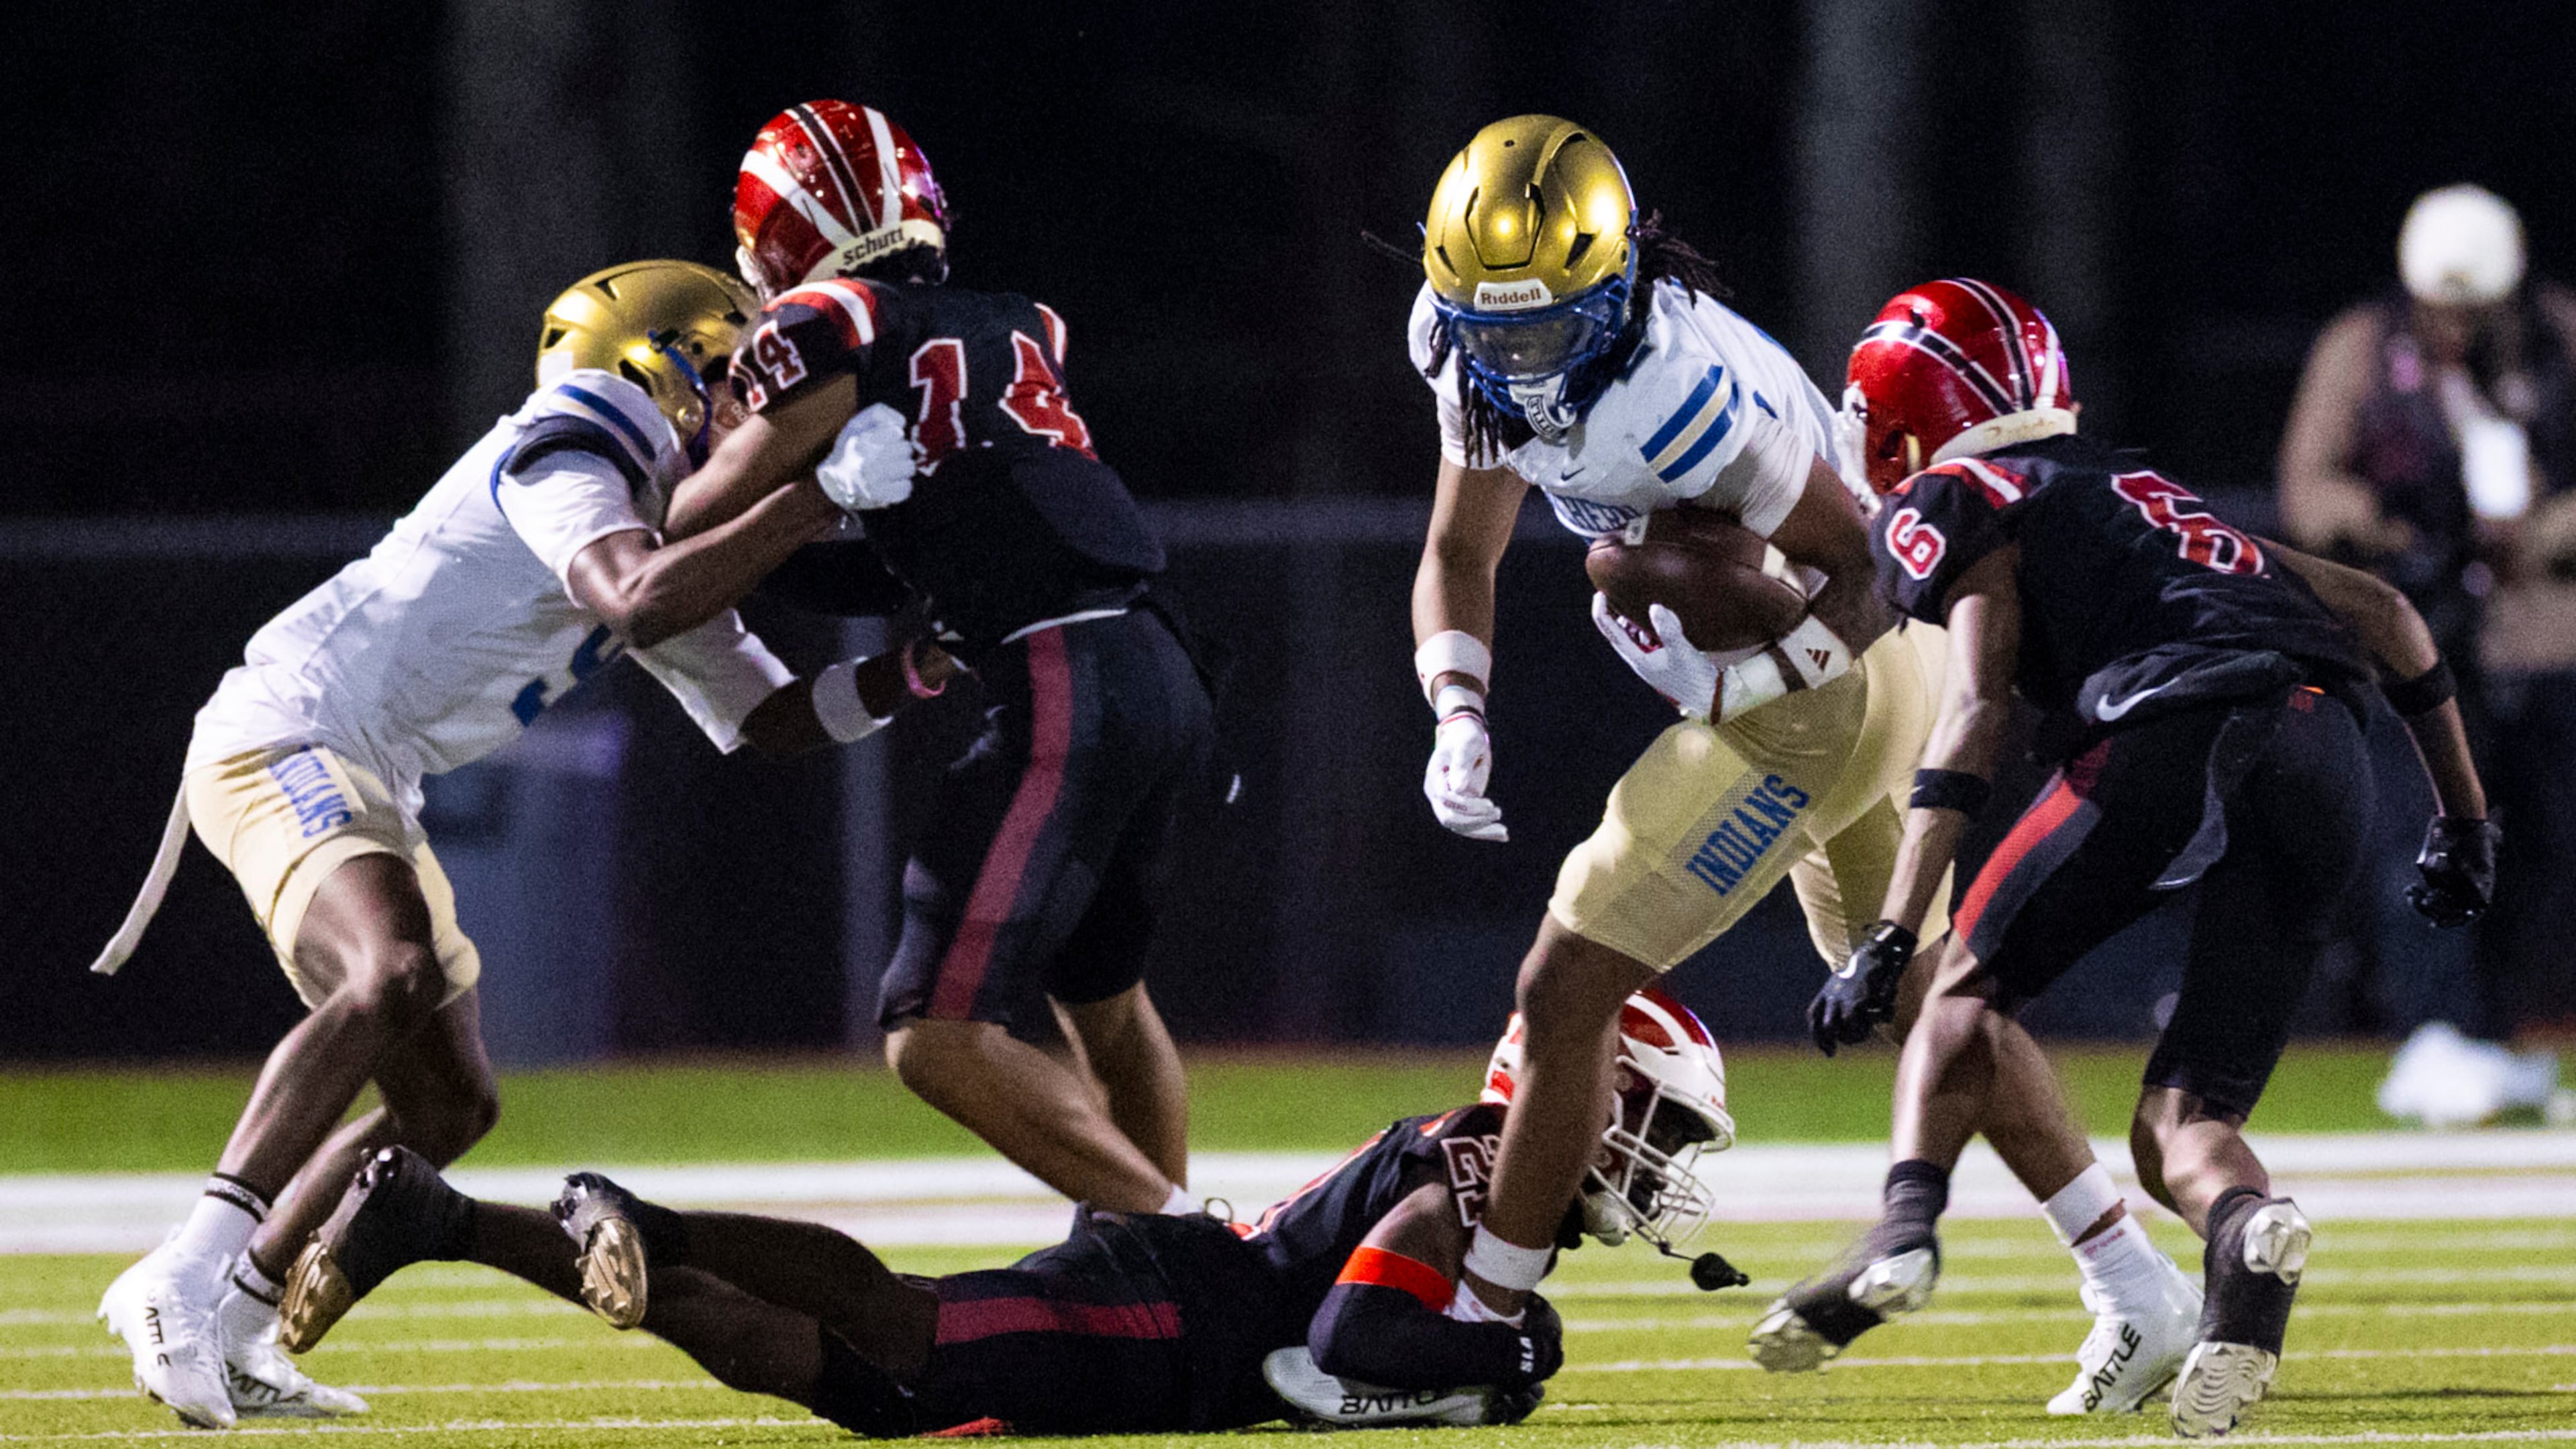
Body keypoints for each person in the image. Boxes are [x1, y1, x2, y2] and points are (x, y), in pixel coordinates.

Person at [1405, 117, 2200, 1413]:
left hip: (1841, 681)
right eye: (1498, 329)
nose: (1520, 357)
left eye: (1547, 325)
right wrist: (1457, 703)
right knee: (1924, 1003)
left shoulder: (1676, 393)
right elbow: (1459, 551)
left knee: (1565, 983)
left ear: (1614, 286)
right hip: (1854, 684)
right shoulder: (1466, 350)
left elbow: (1880, 571)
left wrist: (1750, 682)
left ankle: (1476, 1325)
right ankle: (2136, 1284)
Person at [87, 260, 955, 1430]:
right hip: (288, 728)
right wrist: (807, 505)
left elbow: (769, 718)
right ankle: (180, 1276)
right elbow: (637, 598)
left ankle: (240, 1322)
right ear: (670, 368)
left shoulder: (649, 518)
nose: (760, 411)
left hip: (371, 772)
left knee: (449, 1106)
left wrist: (916, 669)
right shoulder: (579, 437)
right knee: (385, 973)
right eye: (738, 381)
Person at [1779, 278, 2498, 1436]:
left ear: (1904, 415)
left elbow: (1970, 712)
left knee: (1961, 987)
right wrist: (2466, 821)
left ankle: (1903, 1231)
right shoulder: (2139, 489)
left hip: (2171, 723)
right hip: (2333, 748)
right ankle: (2242, 1245)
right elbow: (2383, 612)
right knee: (2184, 1116)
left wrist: (1888, 933)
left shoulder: (1964, 492)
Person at [276, 989, 1735, 1435]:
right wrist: (1507, 1358)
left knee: (808, 1370)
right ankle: (644, 1211)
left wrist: (1504, 1356)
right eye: (1654, 1119)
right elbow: (1345, 1344)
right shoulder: (1471, 1171)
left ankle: (439, 1219)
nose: (1661, 1158)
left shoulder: (1480, 1190)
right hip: (1167, 1318)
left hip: (1174, 1342)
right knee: (906, 1321)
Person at [668, 101, 1216, 1219]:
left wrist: (681, 451)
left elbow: (697, 518)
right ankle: (1151, 1284)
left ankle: (1211, 1257)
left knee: (933, 1032)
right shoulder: (1013, 324)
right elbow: (913, 556)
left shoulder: (832, 319)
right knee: (1105, 1003)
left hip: (1064, 678)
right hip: (1155, 660)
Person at [2277, 183, 2569, 1124]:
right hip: (2419, 643)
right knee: (2430, 840)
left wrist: (2554, 527)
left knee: (2542, 851)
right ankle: (2434, 1034)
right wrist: (2380, 531)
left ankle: (2496, 1033)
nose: (2457, 326)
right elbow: (2309, 488)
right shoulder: (2362, 351)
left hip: (2544, 639)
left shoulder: (2560, 339)